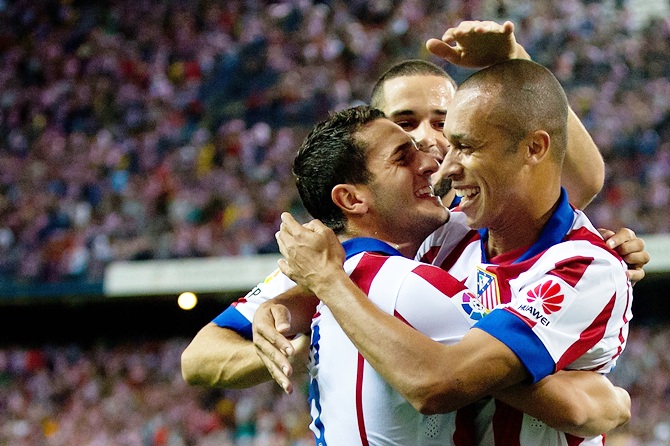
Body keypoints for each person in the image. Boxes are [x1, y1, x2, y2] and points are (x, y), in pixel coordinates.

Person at [181, 20, 648, 390]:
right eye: (404, 124)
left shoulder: (476, 225)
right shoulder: (330, 252)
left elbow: (576, 178)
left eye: (443, 122)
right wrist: (307, 345)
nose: (426, 137)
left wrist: (515, 63)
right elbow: (200, 357)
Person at [257, 58, 634, 446]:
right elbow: (369, 281)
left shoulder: (586, 266)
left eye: (465, 147)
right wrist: (285, 305)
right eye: (448, 144)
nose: (443, 165)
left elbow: (441, 381)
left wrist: (327, 282)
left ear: (534, 148)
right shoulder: (444, 234)